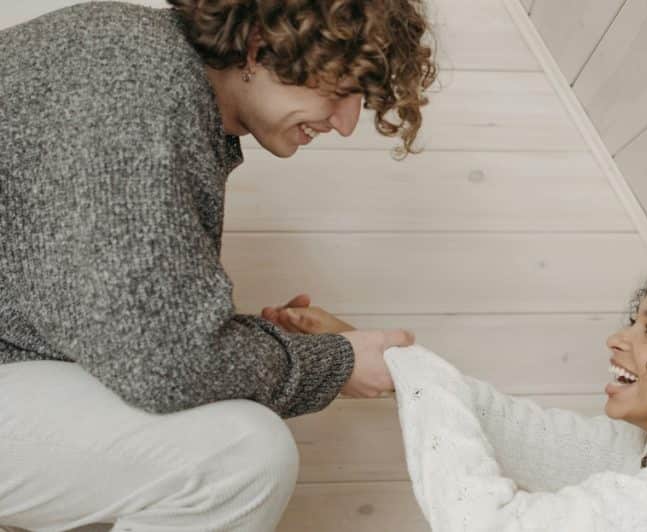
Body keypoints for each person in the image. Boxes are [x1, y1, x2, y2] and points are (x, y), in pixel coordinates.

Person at [0, 0, 436, 530]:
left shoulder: (141, 63)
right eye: (343, 88)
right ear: (259, 47)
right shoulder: (136, 89)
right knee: (242, 456)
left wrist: (246, 342)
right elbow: (162, 364)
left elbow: (125, 328)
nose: (346, 124)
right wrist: (336, 362)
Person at [274, 250, 647, 531]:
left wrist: (411, 368)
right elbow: (511, 427)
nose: (616, 340)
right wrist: (367, 350)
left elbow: (490, 527)